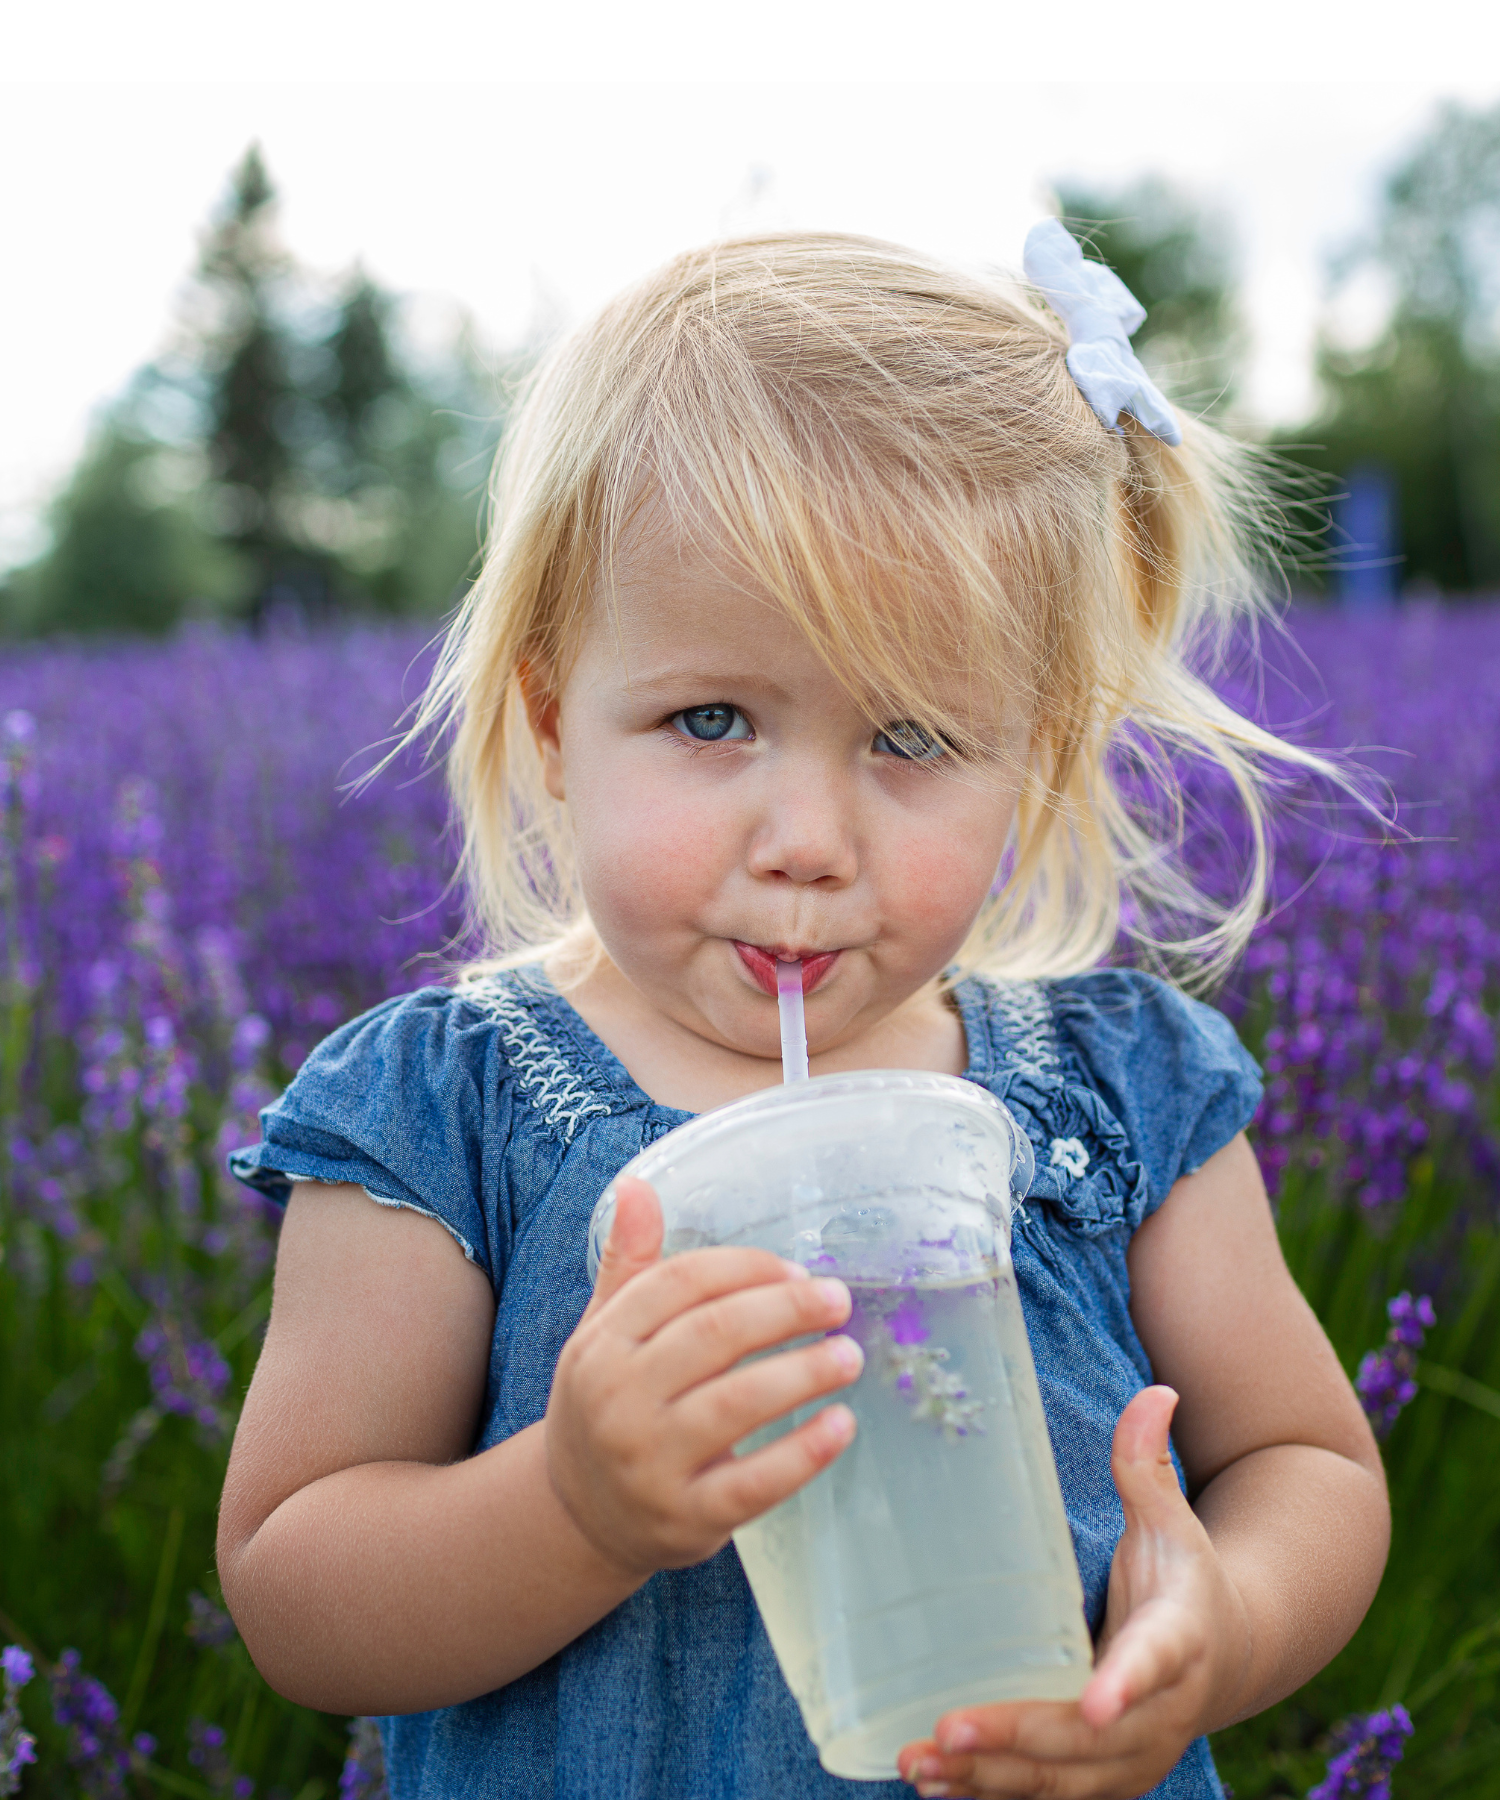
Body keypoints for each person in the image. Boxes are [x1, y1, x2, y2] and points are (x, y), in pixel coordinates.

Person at [218, 225, 1389, 1800]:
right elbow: (296, 1589)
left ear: (1033, 763)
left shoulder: (1124, 1092)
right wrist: (570, 1507)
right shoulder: (446, 1112)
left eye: (912, 736)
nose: (809, 837)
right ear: (557, 722)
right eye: (712, 720)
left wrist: (1220, 1624)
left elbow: (1305, 1462)